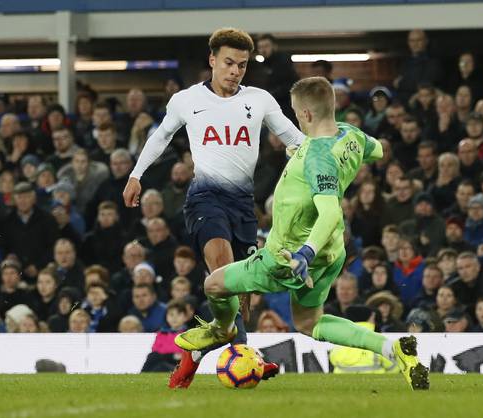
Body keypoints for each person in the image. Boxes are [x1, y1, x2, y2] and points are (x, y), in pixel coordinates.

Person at [173, 76, 429, 390]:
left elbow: (331, 209)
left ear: (306, 115)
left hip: (289, 255)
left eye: (296, 113)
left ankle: (223, 329)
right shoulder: (351, 135)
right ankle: (394, 349)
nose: (295, 118)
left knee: (214, 285)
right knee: (310, 322)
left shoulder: (318, 159)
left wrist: (303, 253)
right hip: (332, 250)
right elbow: (376, 150)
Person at [124, 29, 306, 389]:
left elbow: (294, 139)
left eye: (241, 65)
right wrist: (135, 175)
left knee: (243, 297)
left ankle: (197, 355)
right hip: (205, 200)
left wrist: (325, 156)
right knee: (223, 271)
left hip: (243, 207)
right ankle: (245, 362)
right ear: (212, 60)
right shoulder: (186, 100)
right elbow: (160, 137)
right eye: (228, 63)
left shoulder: (260, 100)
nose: (235, 71)